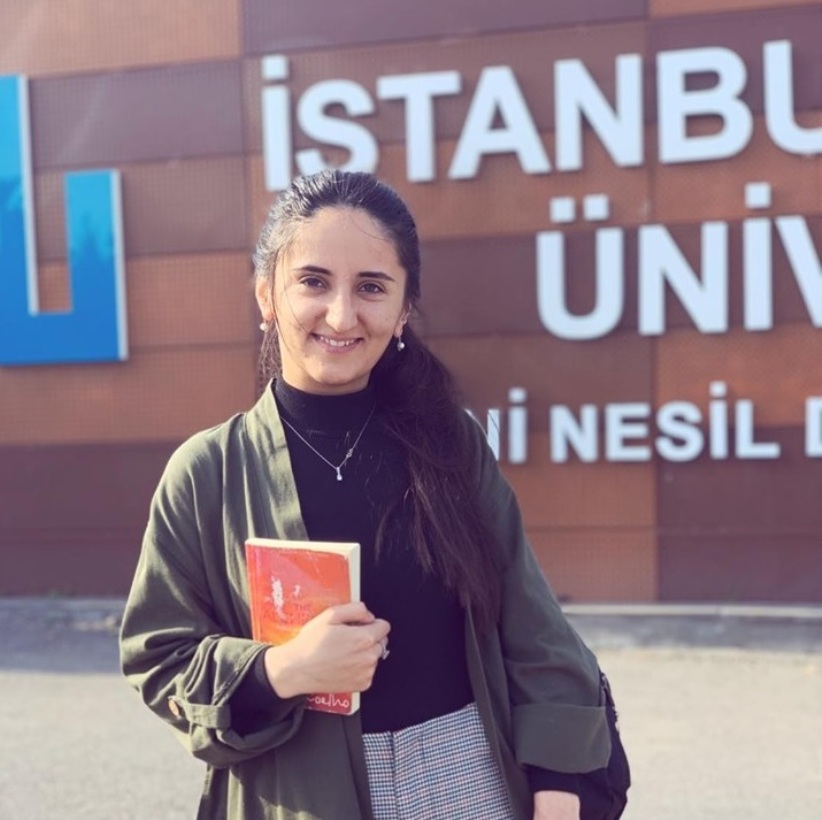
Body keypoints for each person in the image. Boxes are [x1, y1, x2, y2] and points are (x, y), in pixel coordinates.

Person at [119, 170, 615, 820]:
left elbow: (530, 621)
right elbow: (159, 657)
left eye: (372, 288)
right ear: (267, 294)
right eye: (313, 282)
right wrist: (283, 670)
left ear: (404, 309)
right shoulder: (207, 472)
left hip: (469, 779)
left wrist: (558, 786)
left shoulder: (449, 445)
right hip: (299, 794)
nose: (341, 315)